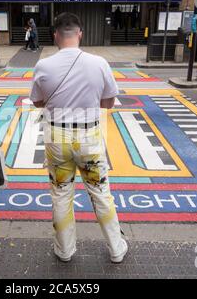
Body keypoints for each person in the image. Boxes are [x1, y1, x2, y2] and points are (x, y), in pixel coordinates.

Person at [29, 13, 128, 263]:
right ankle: (116, 249)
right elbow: (108, 103)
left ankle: (64, 250)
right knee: (100, 191)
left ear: (55, 35)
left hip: (56, 136)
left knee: (61, 193)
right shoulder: (100, 63)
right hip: (89, 136)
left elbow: (38, 101)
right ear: (80, 33)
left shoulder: (43, 66)